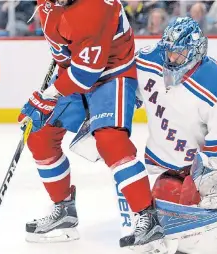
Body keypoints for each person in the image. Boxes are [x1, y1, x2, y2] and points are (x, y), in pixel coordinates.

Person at [17, 0, 166, 251]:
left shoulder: (94, 8)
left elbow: (86, 75)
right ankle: (64, 211)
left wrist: (49, 94)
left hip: (112, 73)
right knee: (39, 135)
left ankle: (147, 217)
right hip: (75, 72)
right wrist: (54, 84)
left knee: (111, 141)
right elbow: (66, 53)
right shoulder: (47, 4)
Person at [135, 17, 217, 211]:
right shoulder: (148, 61)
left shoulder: (212, 79)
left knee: (191, 196)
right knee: (163, 196)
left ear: (196, 50)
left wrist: (216, 176)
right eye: (169, 52)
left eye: (179, 54)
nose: (171, 59)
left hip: (212, 168)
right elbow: (124, 87)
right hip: (176, 168)